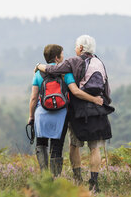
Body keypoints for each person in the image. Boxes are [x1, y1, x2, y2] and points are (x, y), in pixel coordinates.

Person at [35, 35, 113, 192]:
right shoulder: (99, 62)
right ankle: (94, 183)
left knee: (74, 145)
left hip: (79, 111)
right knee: (95, 148)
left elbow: (52, 69)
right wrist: (100, 101)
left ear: (81, 48)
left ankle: (78, 180)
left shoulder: (73, 61)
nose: (75, 49)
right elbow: (107, 89)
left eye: (76, 46)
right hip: (98, 110)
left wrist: (38, 66)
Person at [28, 44, 103, 177]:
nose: (63, 56)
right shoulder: (65, 73)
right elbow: (75, 91)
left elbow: (34, 98)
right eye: (62, 54)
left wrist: (31, 117)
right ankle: (55, 177)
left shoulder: (38, 74)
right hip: (61, 115)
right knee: (56, 146)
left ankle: (45, 177)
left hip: (41, 115)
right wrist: (94, 99)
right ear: (57, 58)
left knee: (41, 145)